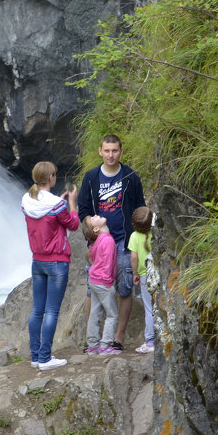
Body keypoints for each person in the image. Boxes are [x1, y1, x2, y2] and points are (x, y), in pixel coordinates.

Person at [78, 134, 145, 352]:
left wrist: (139, 238)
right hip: (99, 243)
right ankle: (93, 340)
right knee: (93, 290)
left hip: (124, 241)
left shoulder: (130, 177)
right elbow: (84, 211)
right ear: (100, 151)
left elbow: (140, 208)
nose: (110, 155)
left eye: (114, 150)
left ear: (121, 151)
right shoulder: (90, 178)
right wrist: (92, 237)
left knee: (124, 288)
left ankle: (119, 337)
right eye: (106, 151)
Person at [22, 161, 79, 370]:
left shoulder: (27, 200)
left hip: (37, 261)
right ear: (51, 178)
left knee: (37, 310)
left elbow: (44, 215)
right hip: (57, 262)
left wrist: (60, 203)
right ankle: (46, 358)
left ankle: (35, 356)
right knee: (52, 311)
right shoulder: (57, 205)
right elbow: (72, 224)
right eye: (54, 175)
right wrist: (71, 204)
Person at [82, 215, 119, 354]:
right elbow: (108, 264)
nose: (96, 215)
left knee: (95, 313)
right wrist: (108, 282)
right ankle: (105, 346)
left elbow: (93, 258)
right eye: (93, 218)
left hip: (93, 280)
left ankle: (92, 345)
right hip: (103, 282)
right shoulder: (108, 240)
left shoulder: (99, 240)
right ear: (96, 228)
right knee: (112, 315)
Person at [128, 206, 155, 353]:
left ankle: (150, 341)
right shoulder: (155, 234)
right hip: (157, 274)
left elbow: (133, 257)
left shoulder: (134, 236)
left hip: (144, 275)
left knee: (149, 309)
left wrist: (135, 273)